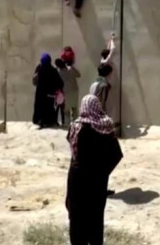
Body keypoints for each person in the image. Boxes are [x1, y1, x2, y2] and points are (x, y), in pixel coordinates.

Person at [65, 92, 123, 244]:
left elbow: (74, 155)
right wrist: (102, 173)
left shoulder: (75, 127)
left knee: (77, 219)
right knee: (95, 219)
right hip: (97, 183)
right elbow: (116, 154)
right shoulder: (106, 127)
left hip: (77, 180)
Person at [33, 54, 63, 128]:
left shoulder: (39, 68)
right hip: (50, 94)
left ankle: (40, 120)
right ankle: (49, 121)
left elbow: (34, 80)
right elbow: (60, 82)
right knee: (49, 106)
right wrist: (57, 89)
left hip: (40, 93)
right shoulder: (53, 70)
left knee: (40, 107)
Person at [56, 58, 81, 124]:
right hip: (74, 92)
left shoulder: (58, 72)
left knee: (66, 111)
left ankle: (67, 126)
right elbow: (79, 75)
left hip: (65, 93)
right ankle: (76, 124)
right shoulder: (71, 69)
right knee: (74, 109)